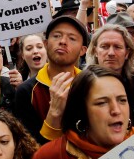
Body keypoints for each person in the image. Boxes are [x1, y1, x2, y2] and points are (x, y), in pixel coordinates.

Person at [14, 15, 88, 144]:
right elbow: (31, 148)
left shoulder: (91, 84)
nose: (63, 41)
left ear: (83, 50)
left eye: (72, 38)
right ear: (46, 44)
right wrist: (54, 113)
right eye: (57, 36)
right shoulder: (26, 91)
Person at [86, 23, 134, 125]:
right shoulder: (84, 84)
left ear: (127, 53)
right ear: (95, 51)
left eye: (117, 47)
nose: (111, 53)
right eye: (104, 46)